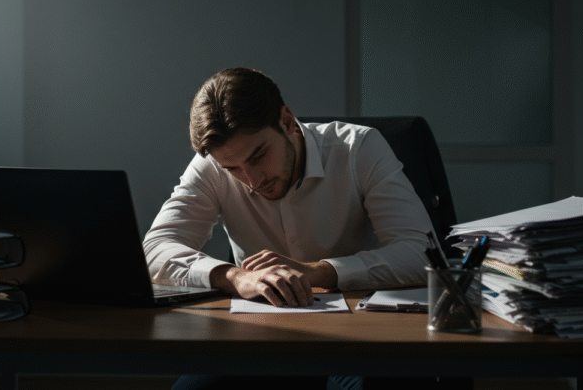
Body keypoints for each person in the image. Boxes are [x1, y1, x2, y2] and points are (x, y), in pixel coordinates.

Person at [142, 67, 436, 390]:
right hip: (261, 341)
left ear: (286, 120)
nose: (252, 181)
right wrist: (235, 277)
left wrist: (320, 273)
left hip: (359, 337)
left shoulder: (359, 150)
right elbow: (154, 249)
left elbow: (422, 253)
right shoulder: (213, 167)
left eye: (259, 156)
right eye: (233, 169)